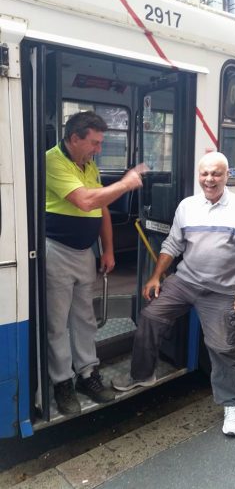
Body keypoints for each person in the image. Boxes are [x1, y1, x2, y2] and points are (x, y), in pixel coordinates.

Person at [112, 151, 235, 437]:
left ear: (226, 176)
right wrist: (156, 276)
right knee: (151, 316)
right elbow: (173, 244)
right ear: (199, 176)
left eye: (216, 174)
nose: (210, 179)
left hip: (223, 290)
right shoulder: (187, 206)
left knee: (222, 348)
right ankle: (142, 375)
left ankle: (231, 404)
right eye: (205, 173)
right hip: (186, 281)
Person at [46, 110, 146, 415]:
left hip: (84, 252)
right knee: (57, 322)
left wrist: (108, 250)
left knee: (85, 318)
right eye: (95, 143)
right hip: (56, 250)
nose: (98, 150)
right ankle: (62, 381)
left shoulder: (88, 165)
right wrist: (127, 183)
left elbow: (100, 209)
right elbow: (86, 201)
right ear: (74, 138)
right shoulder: (52, 160)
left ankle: (87, 374)